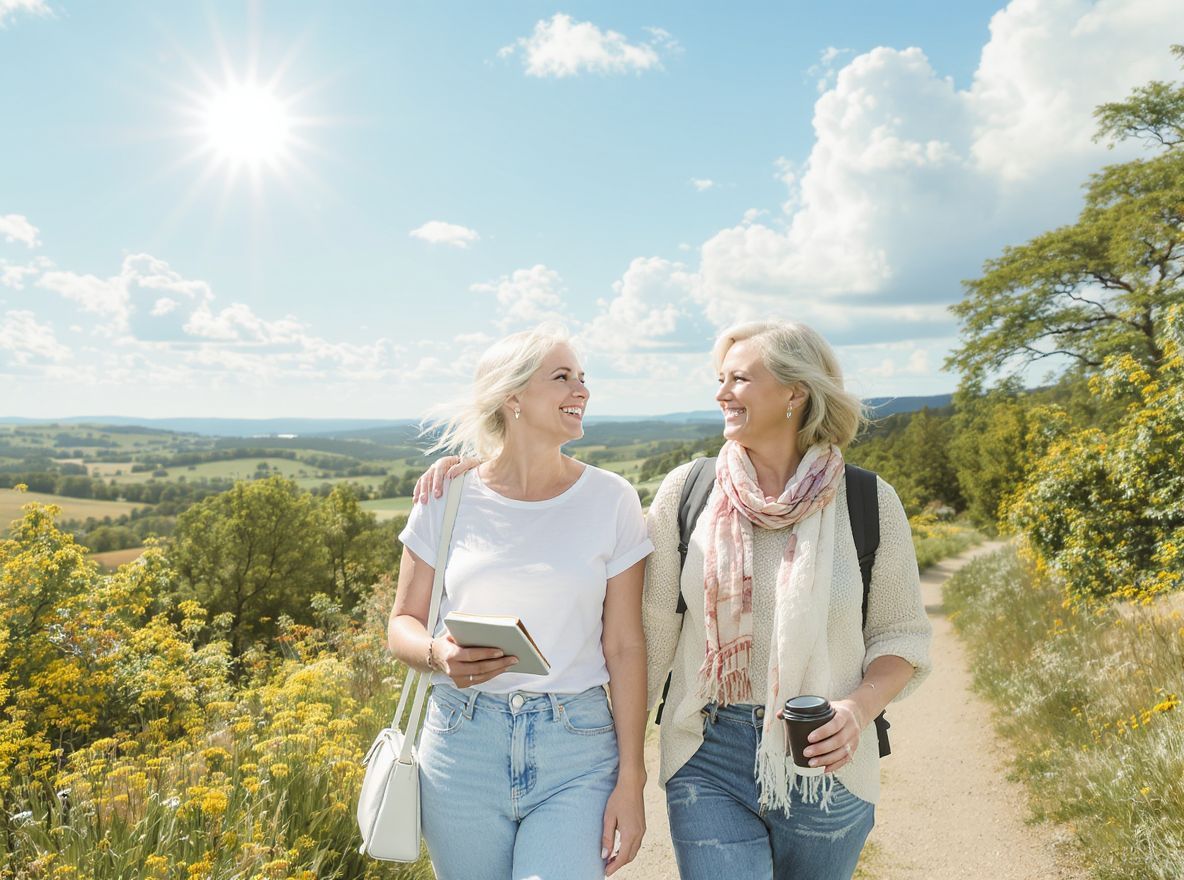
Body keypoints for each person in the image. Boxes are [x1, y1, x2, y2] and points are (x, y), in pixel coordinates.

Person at [414, 319, 932, 880]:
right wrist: (620, 764)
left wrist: (858, 709)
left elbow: (901, 634)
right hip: (708, 753)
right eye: (720, 378)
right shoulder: (689, 492)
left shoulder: (867, 500)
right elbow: (645, 635)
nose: (721, 393)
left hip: (826, 759)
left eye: (738, 379)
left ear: (795, 392)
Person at [387, 325, 652, 880]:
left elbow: (625, 646)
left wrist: (633, 778)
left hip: (575, 746)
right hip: (462, 745)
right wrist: (438, 653)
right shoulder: (446, 496)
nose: (581, 390)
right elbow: (402, 625)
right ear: (512, 398)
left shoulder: (612, 500)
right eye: (562, 377)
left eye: (583, 378)